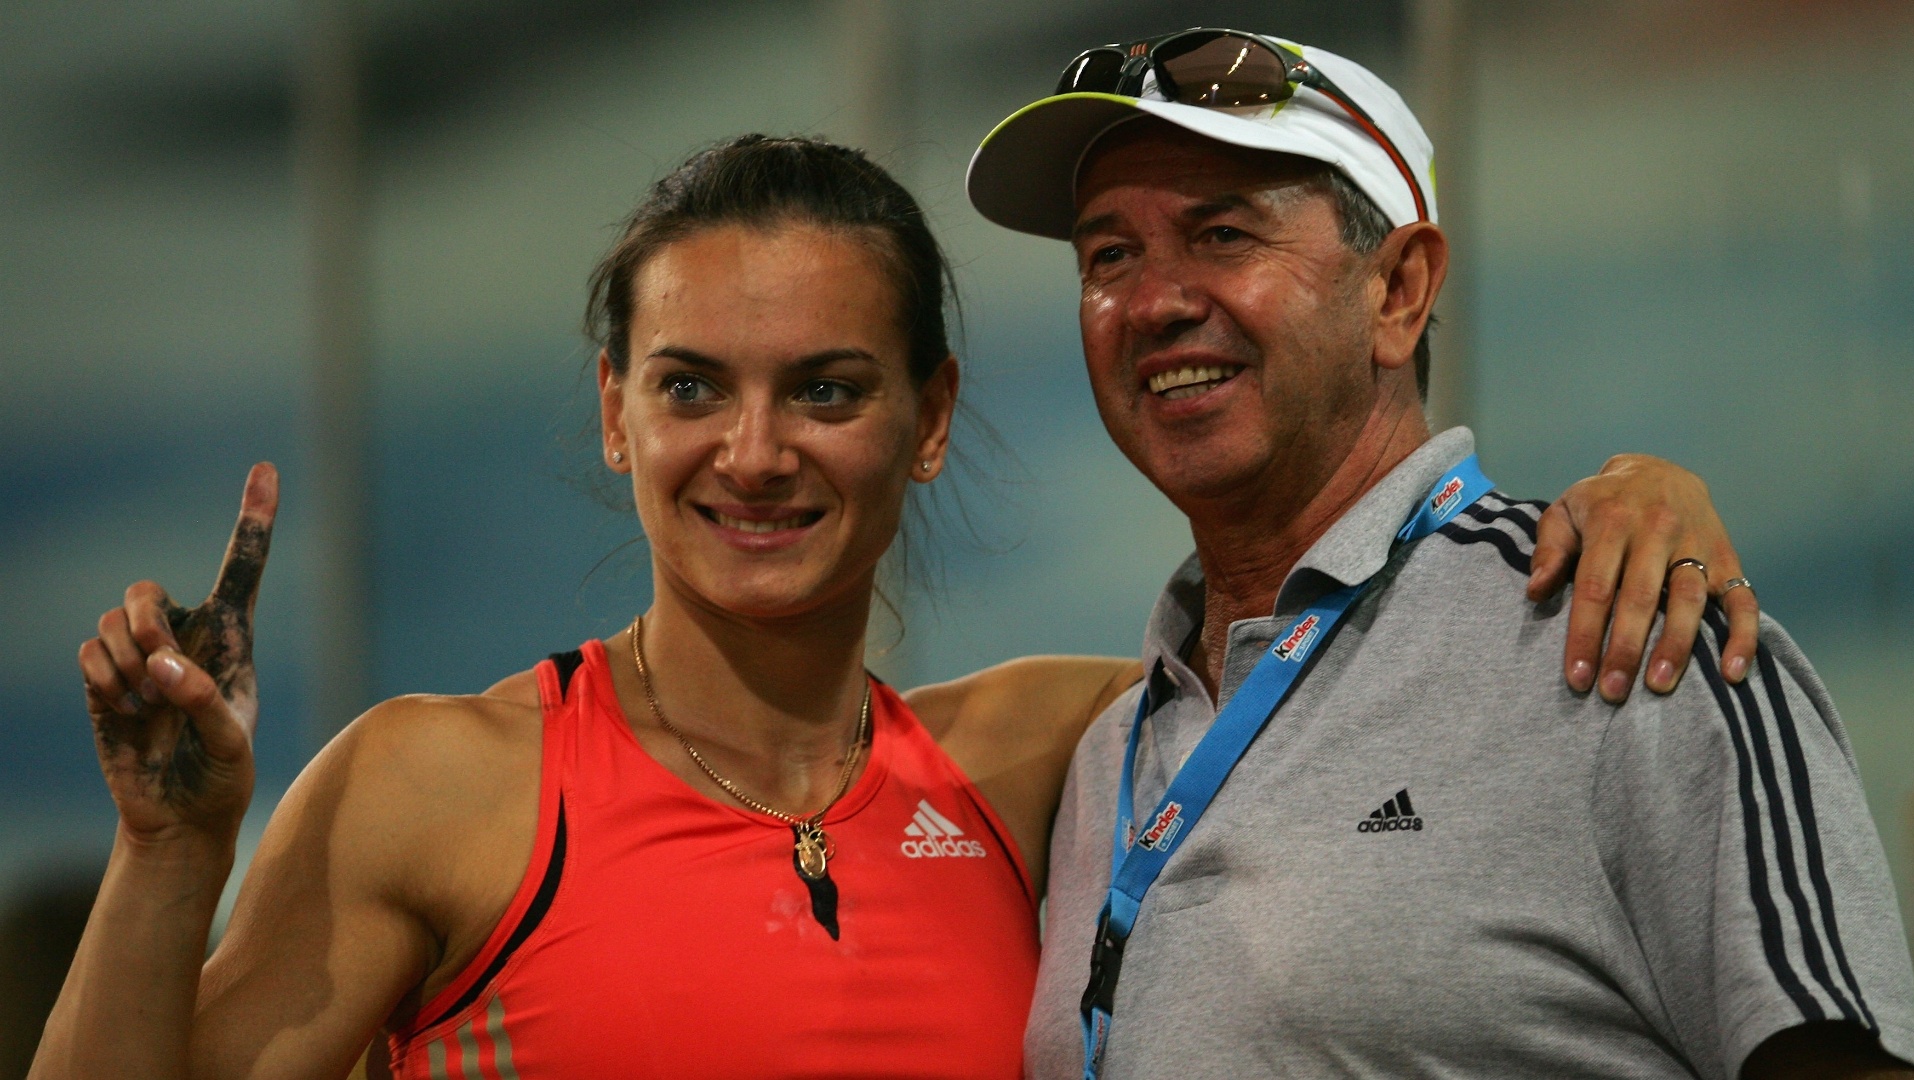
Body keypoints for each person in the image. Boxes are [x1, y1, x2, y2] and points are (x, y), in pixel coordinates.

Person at [39, 136, 1741, 1080]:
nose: (756, 454)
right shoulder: (439, 789)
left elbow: (1373, 629)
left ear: (926, 422)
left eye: (828, 389)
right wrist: (168, 856)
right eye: (694, 387)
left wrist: (1632, 497)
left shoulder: (1062, 761)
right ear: (614, 408)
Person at [963, 28, 1914, 1080]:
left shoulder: (1626, 636)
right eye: (1109, 256)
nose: (1154, 301)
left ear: (1399, 291)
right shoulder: (1112, 751)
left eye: (1224, 235)